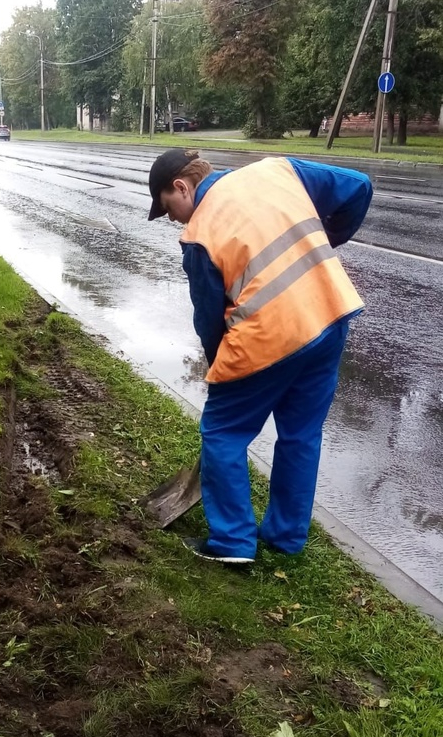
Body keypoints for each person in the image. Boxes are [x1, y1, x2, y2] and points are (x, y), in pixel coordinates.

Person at [147, 150, 372, 563]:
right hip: (329, 313)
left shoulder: (200, 234)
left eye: (168, 208)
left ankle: (232, 543)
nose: (173, 219)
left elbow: (210, 319)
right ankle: (285, 540)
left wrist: (220, 370)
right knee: (301, 435)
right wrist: (326, 240)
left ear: (182, 187)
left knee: (222, 432)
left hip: (270, 336)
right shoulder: (278, 170)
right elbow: (359, 185)